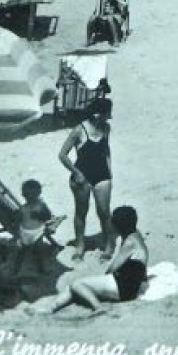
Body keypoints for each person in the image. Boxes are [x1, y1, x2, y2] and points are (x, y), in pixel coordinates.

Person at [29, 206, 147, 316]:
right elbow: (142, 261)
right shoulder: (136, 234)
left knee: (77, 284)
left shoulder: (129, 243)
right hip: (130, 285)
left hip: (124, 289)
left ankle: (98, 307)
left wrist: (103, 279)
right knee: (76, 287)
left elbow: (113, 268)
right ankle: (51, 309)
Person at [58, 98, 114, 257]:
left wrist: (110, 172)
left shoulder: (106, 128)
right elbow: (62, 155)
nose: (109, 117)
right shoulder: (79, 130)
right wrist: (76, 173)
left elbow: (106, 150)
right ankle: (80, 245)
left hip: (102, 175)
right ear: (97, 114)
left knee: (104, 212)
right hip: (82, 176)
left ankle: (109, 244)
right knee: (81, 212)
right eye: (106, 114)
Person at [8, 178, 58, 279]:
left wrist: (40, 215)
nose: (29, 198)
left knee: (39, 251)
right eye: (27, 195)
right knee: (21, 252)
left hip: (37, 231)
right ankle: (15, 270)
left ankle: (41, 269)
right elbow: (17, 221)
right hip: (25, 232)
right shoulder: (22, 208)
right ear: (23, 195)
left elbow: (48, 216)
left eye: (32, 195)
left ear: (38, 194)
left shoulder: (41, 206)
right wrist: (17, 233)